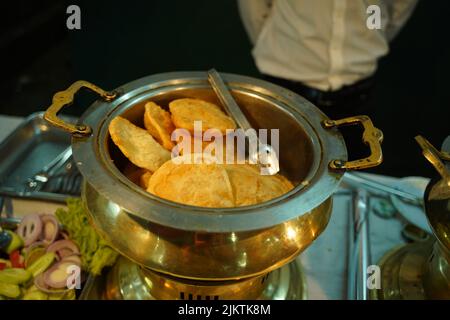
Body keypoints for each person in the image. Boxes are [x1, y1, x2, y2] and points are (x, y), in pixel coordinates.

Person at [238, 0, 418, 159]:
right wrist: (267, 39)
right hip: (286, 85)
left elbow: (400, 6)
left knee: (352, 181)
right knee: (277, 177)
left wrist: (371, 36)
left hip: (357, 91)